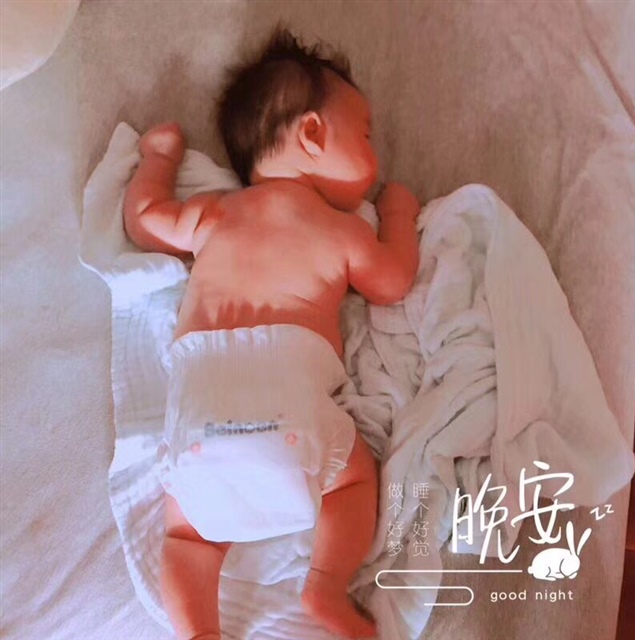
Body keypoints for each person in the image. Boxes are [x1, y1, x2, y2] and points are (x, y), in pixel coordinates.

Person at [123, 24, 420, 640]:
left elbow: (146, 221)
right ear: (312, 134)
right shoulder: (339, 230)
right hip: (289, 404)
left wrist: (159, 160)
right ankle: (326, 587)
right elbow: (392, 281)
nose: (375, 154)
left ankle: (200, 632)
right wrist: (398, 213)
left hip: (200, 411)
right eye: (366, 135)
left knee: (187, 537)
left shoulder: (216, 214)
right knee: (354, 479)